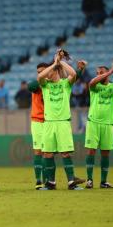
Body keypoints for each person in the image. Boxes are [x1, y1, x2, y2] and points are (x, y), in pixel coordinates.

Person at [37, 49, 85, 190]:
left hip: (63, 122)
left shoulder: (65, 84)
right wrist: (54, 63)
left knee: (65, 152)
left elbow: (74, 74)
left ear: (56, 72)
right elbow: (40, 77)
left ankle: (71, 182)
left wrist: (61, 62)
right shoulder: (45, 85)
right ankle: (51, 183)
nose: (46, 74)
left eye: (50, 71)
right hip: (49, 123)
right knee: (47, 153)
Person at [85, 61, 113, 189]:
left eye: (101, 73)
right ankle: (89, 180)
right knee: (91, 151)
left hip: (108, 124)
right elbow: (91, 83)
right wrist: (109, 72)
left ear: (108, 75)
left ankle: (103, 182)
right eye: (97, 73)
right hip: (93, 122)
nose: (98, 75)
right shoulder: (94, 86)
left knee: (105, 153)